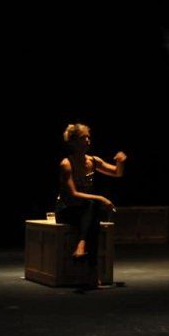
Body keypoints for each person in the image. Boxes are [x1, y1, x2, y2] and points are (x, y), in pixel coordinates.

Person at [55, 123, 127, 288]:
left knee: (92, 215)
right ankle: (92, 273)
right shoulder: (66, 164)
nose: (88, 140)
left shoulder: (93, 161)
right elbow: (73, 194)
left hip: (86, 210)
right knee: (93, 208)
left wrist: (120, 162)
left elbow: (117, 172)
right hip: (67, 209)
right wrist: (102, 198)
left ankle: (82, 247)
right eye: (83, 137)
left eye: (89, 137)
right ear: (73, 142)